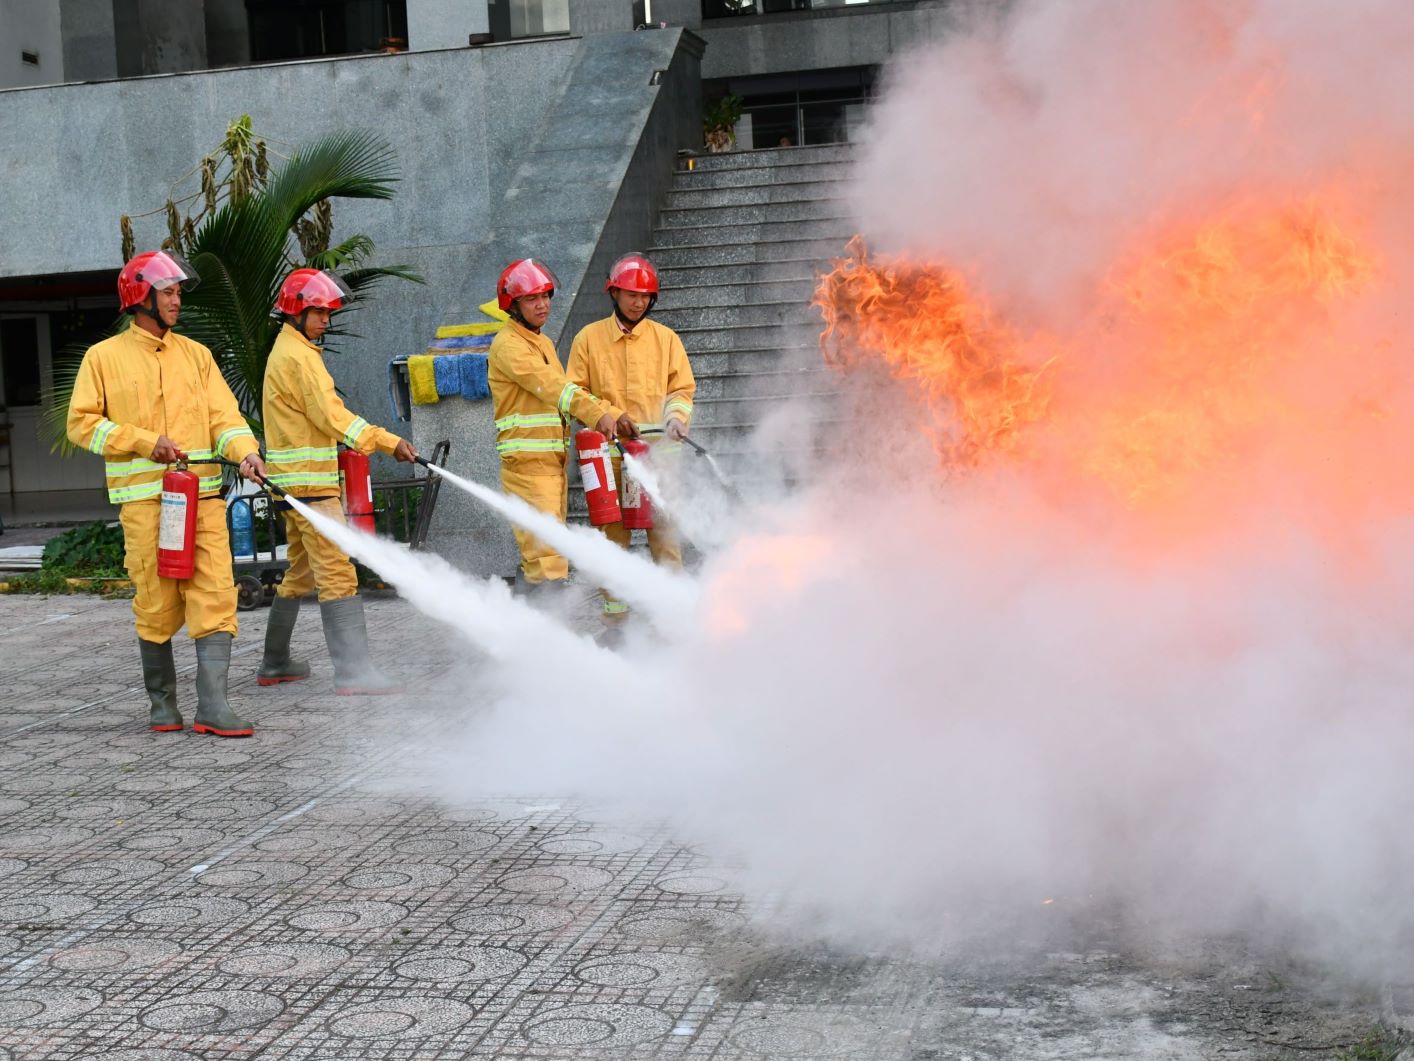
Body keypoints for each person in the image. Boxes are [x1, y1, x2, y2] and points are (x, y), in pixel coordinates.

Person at [67, 250, 266, 737]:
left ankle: (214, 705)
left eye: (179, 291)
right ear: (141, 297)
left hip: (203, 500)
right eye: (169, 292)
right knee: (155, 603)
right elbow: (81, 425)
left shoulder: (197, 356)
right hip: (145, 506)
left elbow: (224, 418)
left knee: (217, 593)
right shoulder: (103, 358)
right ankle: (163, 705)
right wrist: (140, 440)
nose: (178, 300)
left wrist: (245, 450)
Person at [258, 268, 416, 695]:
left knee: (301, 574)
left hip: (296, 486)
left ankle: (275, 663)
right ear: (296, 312)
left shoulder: (291, 351)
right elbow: (332, 417)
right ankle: (354, 671)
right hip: (311, 489)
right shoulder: (298, 357)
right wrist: (385, 441)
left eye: (328, 311)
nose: (327, 319)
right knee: (338, 574)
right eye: (319, 312)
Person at [567, 252, 695, 622]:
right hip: (609, 459)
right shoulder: (588, 340)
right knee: (613, 544)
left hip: (658, 458)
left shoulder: (666, 340)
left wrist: (675, 419)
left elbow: (681, 391)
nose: (639, 302)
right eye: (630, 294)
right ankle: (616, 621)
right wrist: (606, 415)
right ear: (614, 294)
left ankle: (674, 619)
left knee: (666, 539)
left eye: (645, 296)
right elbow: (574, 392)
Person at [487, 258, 628, 591]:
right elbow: (553, 388)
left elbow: (566, 390)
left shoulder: (542, 342)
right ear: (513, 304)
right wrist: (596, 414)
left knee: (545, 557)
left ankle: (536, 635)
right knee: (547, 560)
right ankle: (545, 638)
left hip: (550, 468)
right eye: (532, 299)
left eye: (546, 296)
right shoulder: (509, 346)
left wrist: (612, 412)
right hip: (527, 470)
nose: (543, 305)